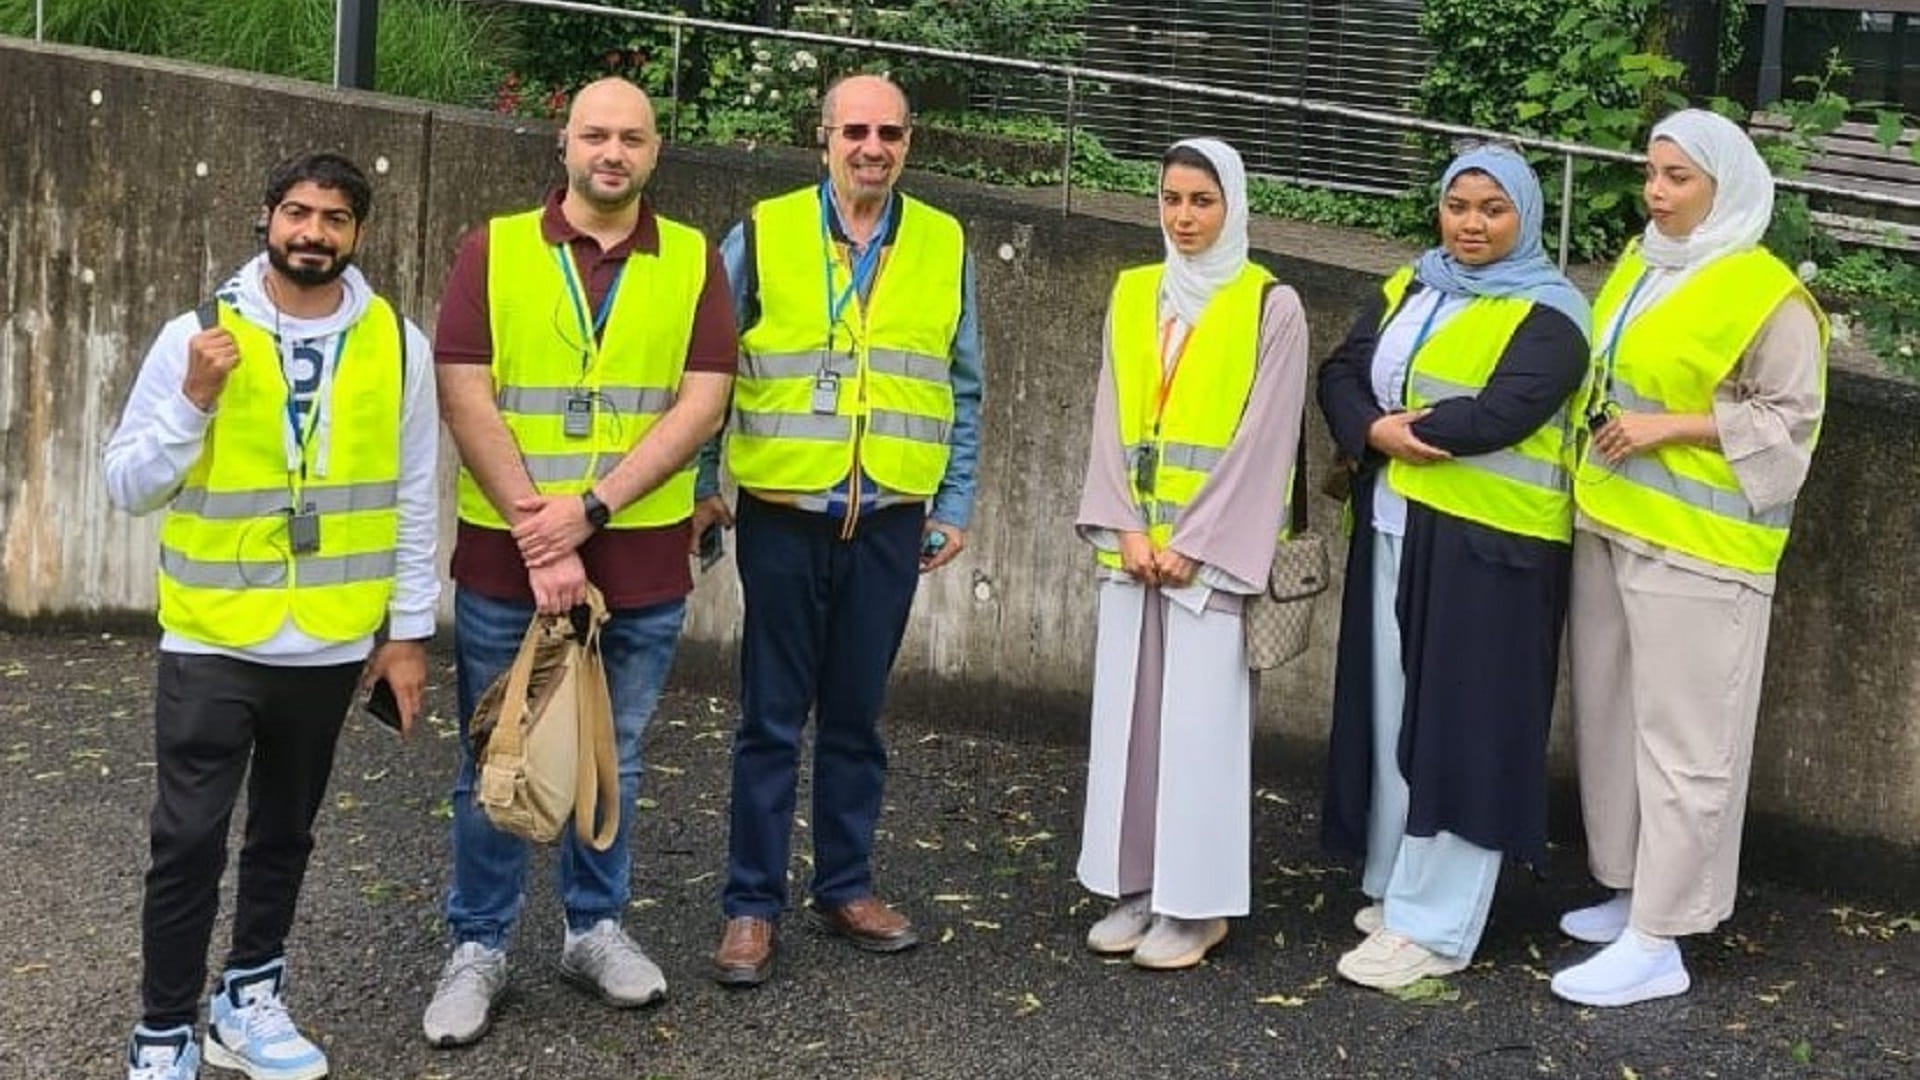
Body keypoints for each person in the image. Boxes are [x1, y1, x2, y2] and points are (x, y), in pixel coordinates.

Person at [104, 152, 438, 1080]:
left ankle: (246, 1000)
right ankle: (163, 1030)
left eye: (334, 218)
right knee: (187, 841)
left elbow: (415, 497)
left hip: (329, 641)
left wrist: (408, 635)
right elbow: (127, 484)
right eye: (297, 212)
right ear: (266, 218)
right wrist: (192, 402)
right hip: (212, 634)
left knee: (285, 835)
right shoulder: (195, 335)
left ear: (358, 232)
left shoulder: (397, 344)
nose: (313, 233)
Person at [421, 77, 737, 1045]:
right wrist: (542, 533)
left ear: (654, 152)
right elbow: (464, 391)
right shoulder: (495, 247)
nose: (613, 152)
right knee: (496, 752)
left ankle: (593, 928)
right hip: (509, 556)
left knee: (614, 755)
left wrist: (591, 510)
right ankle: (478, 944)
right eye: (596, 135)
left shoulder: (691, 259)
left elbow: (703, 402)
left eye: (632, 138)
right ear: (564, 144)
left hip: (639, 556)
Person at [698, 73, 983, 987]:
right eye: (855, 131)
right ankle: (751, 906)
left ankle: (846, 886)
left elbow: (964, 383)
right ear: (822, 138)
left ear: (909, 143)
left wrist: (955, 502)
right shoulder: (765, 231)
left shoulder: (942, 241)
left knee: (857, 718)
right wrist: (703, 485)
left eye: (889, 133)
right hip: (784, 517)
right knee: (770, 720)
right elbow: (708, 368)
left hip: (891, 521)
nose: (873, 148)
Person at [1552, 110, 1827, 1008]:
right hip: (1614, 521)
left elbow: (1791, 423)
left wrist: (1669, 426)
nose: (1656, 192)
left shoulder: (1766, 292)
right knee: (1614, 720)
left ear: (1724, 187)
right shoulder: (1646, 262)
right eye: (1652, 172)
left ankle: (1659, 938)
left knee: (1687, 743)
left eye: (1678, 179)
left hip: (1704, 550)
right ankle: (1630, 889)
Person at [1317, 145, 1592, 991]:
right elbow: (1341, 369)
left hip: (1494, 547)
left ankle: (1435, 926)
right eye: (1458, 206)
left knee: (1465, 728)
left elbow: (1506, 411)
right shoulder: (1413, 282)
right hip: (1398, 524)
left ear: (1526, 217)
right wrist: (1370, 428)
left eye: (1493, 210)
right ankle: (1398, 887)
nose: (1472, 225)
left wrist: (1395, 432)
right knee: (1397, 715)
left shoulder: (1554, 312)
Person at [1072, 138, 1309, 970]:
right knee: (1130, 726)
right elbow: (1109, 414)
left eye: (1202, 201)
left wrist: (1196, 545)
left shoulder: (1272, 304)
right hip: (1135, 551)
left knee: (1201, 731)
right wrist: (1127, 528)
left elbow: (1266, 440)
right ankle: (1137, 885)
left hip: (1209, 562)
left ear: (1233, 206)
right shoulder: (1136, 289)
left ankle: (1197, 906)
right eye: (1171, 199)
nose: (1183, 217)